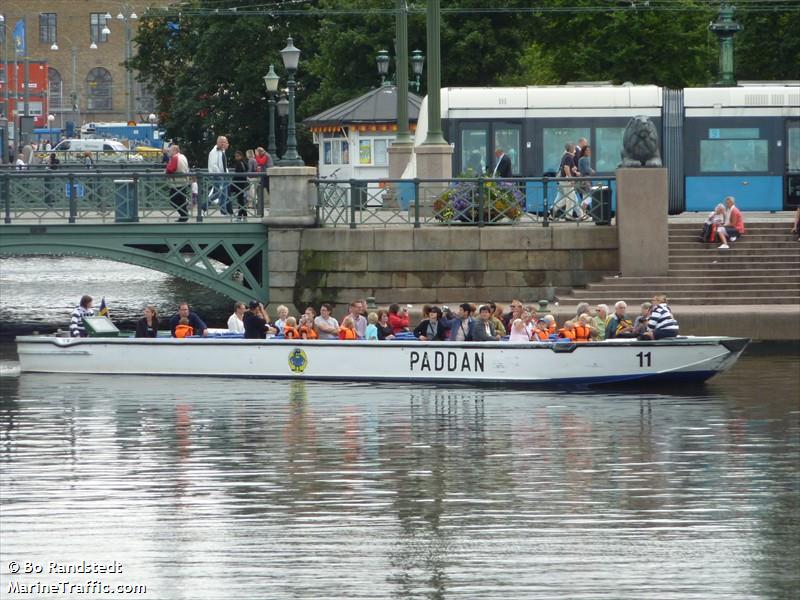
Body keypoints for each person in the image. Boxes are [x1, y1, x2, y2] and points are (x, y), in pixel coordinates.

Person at [165, 144, 191, 222]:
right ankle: (184, 216)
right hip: (184, 181)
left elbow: (170, 169)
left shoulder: (175, 158)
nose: (169, 152)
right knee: (181, 200)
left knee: (173, 200)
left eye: (170, 151)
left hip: (176, 183)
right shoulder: (183, 156)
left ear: (175, 151)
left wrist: (166, 171)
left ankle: (184, 215)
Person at [207, 135, 230, 214]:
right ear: (218, 142)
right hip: (217, 175)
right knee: (218, 193)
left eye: (225, 142)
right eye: (222, 142)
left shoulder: (222, 151)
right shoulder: (214, 152)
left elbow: (223, 164)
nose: (223, 143)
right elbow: (214, 165)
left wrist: (226, 173)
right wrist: (221, 175)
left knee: (224, 194)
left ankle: (223, 211)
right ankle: (204, 206)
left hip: (224, 175)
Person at [229, 149, 249, 220]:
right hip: (242, 183)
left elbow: (237, 174)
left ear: (241, 156)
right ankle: (243, 215)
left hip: (238, 183)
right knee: (240, 200)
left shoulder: (239, 163)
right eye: (235, 156)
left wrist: (232, 182)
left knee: (239, 199)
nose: (236, 157)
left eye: (237, 156)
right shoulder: (244, 162)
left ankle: (237, 215)